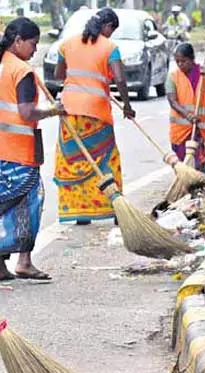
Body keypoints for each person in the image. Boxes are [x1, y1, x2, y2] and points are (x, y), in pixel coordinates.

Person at [0, 17, 65, 281]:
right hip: (15, 154)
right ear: (18, 41)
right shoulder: (22, 71)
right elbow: (26, 112)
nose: (35, 50)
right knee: (29, 204)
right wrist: (53, 111)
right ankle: (24, 262)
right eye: (33, 44)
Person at [54, 7, 136, 225]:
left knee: (75, 160)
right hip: (96, 114)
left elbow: (58, 74)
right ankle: (115, 208)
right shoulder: (110, 48)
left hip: (70, 111)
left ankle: (80, 212)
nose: (111, 35)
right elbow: (119, 78)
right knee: (107, 159)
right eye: (112, 30)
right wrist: (127, 105)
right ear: (107, 26)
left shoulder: (67, 44)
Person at [166, 43, 205, 174]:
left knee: (202, 167)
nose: (180, 65)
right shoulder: (173, 77)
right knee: (184, 169)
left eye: (183, 61)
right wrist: (188, 115)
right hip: (181, 133)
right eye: (177, 61)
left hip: (202, 131)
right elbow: (172, 101)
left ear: (192, 59)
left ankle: (202, 191)